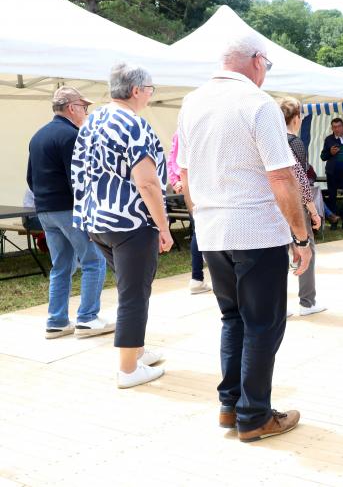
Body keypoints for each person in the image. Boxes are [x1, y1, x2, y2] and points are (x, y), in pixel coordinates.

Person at [176, 35, 311, 442]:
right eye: (267, 64)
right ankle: (254, 415)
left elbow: (183, 174)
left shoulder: (192, 101)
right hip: (255, 229)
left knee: (233, 319)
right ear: (256, 61)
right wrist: (301, 237)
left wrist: (202, 217)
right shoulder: (257, 103)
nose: (265, 72)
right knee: (263, 324)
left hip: (213, 230)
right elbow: (281, 175)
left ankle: (230, 405)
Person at [72, 64, 171, 388]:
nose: (151, 95)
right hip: (130, 222)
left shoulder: (93, 120)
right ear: (137, 91)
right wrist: (164, 226)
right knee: (134, 294)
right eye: (151, 89)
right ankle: (128, 369)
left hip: (96, 221)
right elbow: (148, 183)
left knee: (132, 288)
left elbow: (81, 172)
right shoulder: (133, 124)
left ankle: (136, 350)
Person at [27, 87, 111, 340]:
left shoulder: (37, 136)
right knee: (94, 260)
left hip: (45, 210)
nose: (86, 112)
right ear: (72, 108)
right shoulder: (73, 135)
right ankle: (87, 318)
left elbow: (30, 178)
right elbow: (79, 179)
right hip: (70, 209)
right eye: (84, 108)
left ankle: (57, 321)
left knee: (61, 265)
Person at [278, 96, 325, 317]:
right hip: (294, 205)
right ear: (296, 118)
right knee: (306, 248)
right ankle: (307, 301)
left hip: (273, 206)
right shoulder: (295, 143)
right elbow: (300, 178)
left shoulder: (271, 142)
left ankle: (280, 305)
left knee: (280, 254)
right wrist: (312, 209)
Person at [167, 134, 211, 295]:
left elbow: (171, 159)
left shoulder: (180, 131)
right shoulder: (191, 129)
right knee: (202, 229)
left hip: (192, 184)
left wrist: (175, 180)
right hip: (199, 184)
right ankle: (198, 277)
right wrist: (176, 180)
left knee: (198, 230)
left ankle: (197, 277)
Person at [320, 117, 343, 231]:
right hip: (332, 173)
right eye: (334, 127)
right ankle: (334, 221)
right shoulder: (329, 139)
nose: (337, 129)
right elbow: (323, 157)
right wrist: (330, 152)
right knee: (332, 197)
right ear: (332, 128)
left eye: (339, 126)